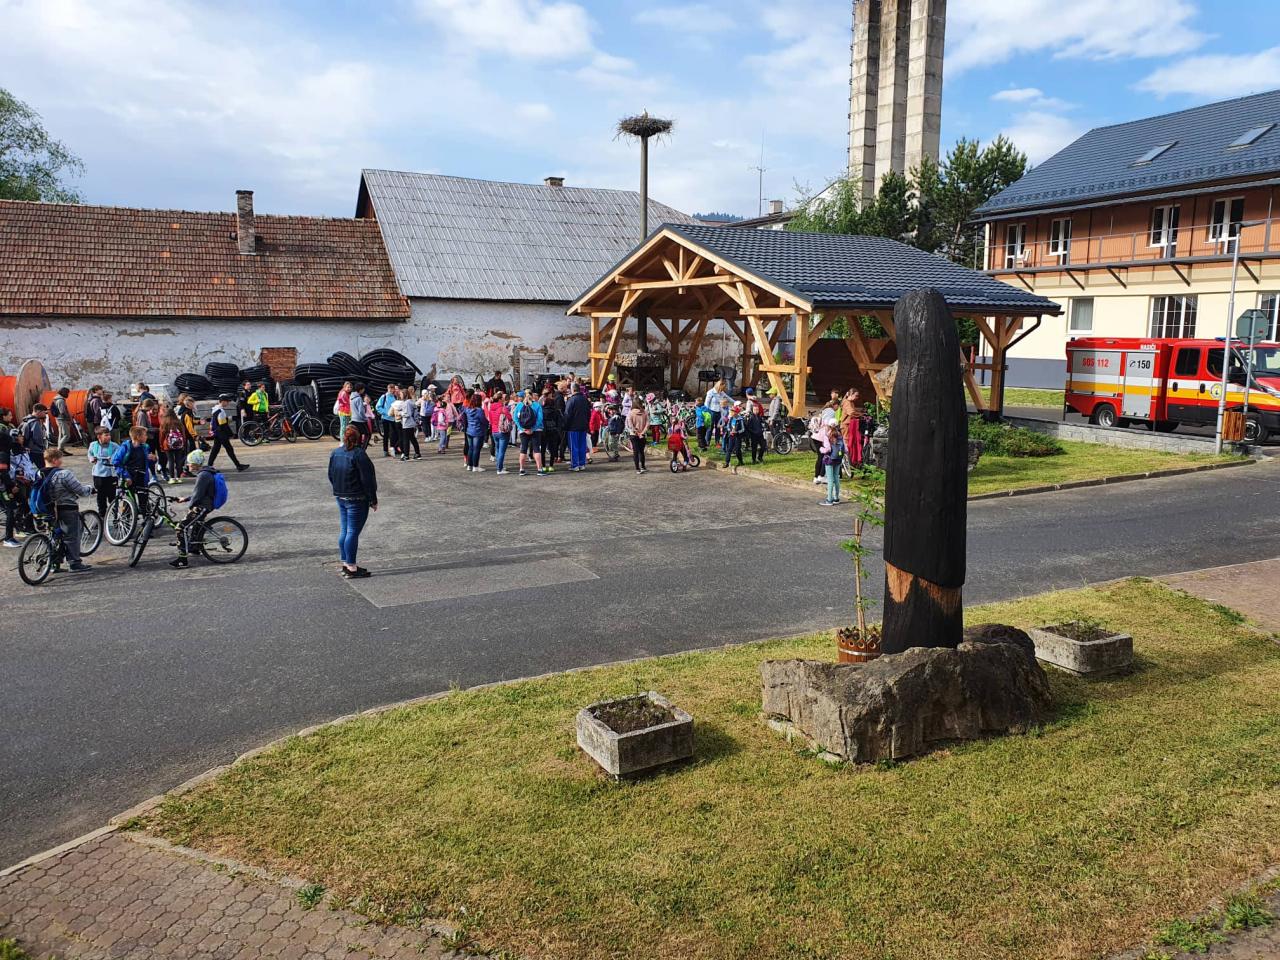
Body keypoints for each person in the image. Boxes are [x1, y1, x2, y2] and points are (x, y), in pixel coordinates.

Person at [328, 424, 377, 579]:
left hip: (341, 495)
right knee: (352, 532)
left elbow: (331, 475)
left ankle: (346, 562)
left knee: (345, 530)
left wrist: (338, 490)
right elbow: (367, 479)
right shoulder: (359, 454)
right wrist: (373, 499)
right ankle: (351, 566)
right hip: (356, 497)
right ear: (359, 438)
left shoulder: (336, 453)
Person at [41, 447, 94, 572]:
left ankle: (54, 564)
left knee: (54, 534)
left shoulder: (39, 473)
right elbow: (80, 490)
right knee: (71, 536)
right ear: (55, 460)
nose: (62, 461)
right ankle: (74, 563)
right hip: (66, 508)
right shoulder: (64, 474)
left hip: (46, 509)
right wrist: (90, 489)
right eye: (60, 459)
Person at [168, 448, 221, 569]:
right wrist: (185, 499)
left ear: (196, 463)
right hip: (206, 504)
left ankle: (182, 559)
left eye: (190, 463)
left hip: (203, 506)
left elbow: (197, 495)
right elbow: (199, 493)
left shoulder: (203, 476)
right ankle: (194, 547)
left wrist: (191, 506)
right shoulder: (206, 473)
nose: (188, 465)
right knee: (196, 524)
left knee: (181, 527)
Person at [87, 426, 120, 518]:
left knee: (112, 497)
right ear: (99, 436)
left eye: (109, 435)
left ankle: (116, 517)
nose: (109, 437)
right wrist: (92, 459)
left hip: (111, 475)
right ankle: (102, 517)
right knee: (101, 496)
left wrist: (112, 459)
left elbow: (119, 455)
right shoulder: (93, 445)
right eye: (106, 435)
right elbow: (90, 454)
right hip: (98, 475)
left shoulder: (114, 446)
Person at [208, 394, 248, 471]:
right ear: (222, 401)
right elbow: (223, 425)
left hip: (217, 433)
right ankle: (238, 466)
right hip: (221, 433)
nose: (228, 403)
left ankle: (209, 465)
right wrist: (230, 433)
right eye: (227, 401)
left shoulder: (215, 409)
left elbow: (214, 422)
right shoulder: (221, 411)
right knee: (229, 449)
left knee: (215, 450)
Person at [512, 390, 544, 477]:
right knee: (536, 449)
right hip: (536, 430)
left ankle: (522, 469)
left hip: (523, 431)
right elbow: (540, 418)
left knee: (523, 449)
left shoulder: (519, 405)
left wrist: (522, 428)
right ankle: (540, 469)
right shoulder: (537, 405)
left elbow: (515, 418)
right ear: (532, 395)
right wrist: (533, 428)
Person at [564, 383, 591, 472]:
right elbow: (589, 413)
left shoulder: (571, 400)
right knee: (582, 446)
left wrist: (565, 425)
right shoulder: (585, 399)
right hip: (583, 426)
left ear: (573, 390)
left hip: (573, 427)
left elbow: (567, 414)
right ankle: (582, 464)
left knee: (574, 446)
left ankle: (575, 465)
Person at [819, 421, 846, 506]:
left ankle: (829, 500)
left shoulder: (828, 435)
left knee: (830, 480)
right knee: (836, 478)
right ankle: (836, 498)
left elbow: (828, 449)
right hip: (838, 459)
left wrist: (821, 449)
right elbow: (846, 449)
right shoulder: (840, 435)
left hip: (829, 459)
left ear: (828, 426)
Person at [486, 391, 512, 475]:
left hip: (494, 431)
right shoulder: (503, 408)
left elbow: (490, 420)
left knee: (497, 449)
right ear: (500, 399)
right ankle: (499, 469)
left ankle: (499, 466)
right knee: (501, 451)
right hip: (502, 431)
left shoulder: (491, 408)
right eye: (502, 398)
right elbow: (510, 418)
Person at [158, 411, 187, 483]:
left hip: (168, 445)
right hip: (179, 445)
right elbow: (183, 434)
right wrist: (183, 443)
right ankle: (179, 478)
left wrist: (161, 446)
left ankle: (172, 478)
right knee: (178, 461)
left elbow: (161, 436)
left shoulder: (164, 424)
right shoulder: (179, 423)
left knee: (171, 461)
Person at [540, 387, 563, 473]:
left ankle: (543, 466)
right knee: (553, 449)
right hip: (553, 430)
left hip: (544, 431)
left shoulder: (542, 411)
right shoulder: (556, 411)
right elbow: (560, 422)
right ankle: (551, 466)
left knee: (543, 449)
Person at [463, 393, 487, 472]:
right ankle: (475, 466)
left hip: (469, 430)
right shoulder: (479, 411)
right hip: (478, 431)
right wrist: (487, 425)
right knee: (476, 449)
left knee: (471, 448)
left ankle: (469, 465)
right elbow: (483, 421)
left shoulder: (467, 409)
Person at [21, 403, 49, 471]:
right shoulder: (35, 422)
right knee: (45, 469)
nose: (45, 415)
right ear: (38, 412)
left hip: (28, 449)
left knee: (26, 468)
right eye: (44, 412)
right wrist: (43, 448)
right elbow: (38, 438)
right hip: (36, 450)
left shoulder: (26, 420)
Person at [841, 388, 864, 468]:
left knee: (850, 443)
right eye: (856, 395)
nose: (857, 397)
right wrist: (861, 414)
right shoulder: (847, 402)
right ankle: (845, 464)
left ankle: (850, 462)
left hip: (848, 425)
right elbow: (851, 413)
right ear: (851, 394)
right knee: (847, 444)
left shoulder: (850, 402)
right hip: (846, 426)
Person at [375, 384, 398, 458]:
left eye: (392, 388)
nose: (391, 390)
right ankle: (385, 451)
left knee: (393, 435)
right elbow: (378, 407)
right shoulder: (384, 396)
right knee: (386, 435)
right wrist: (386, 412)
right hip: (385, 418)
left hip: (393, 419)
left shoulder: (395, 397)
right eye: (390, 389)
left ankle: (392, 450)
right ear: (387, 389)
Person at [626, 397, 648, 474]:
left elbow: (630, 424)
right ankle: (643, 466)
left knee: (635, 452)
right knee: (641, 451)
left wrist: (636, 432)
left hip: (633, 435)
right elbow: (648, 423)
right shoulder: (645, 412)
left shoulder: (630, 413)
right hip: (642, 434)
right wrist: (642, 432)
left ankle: (637, 469)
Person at [399, 386, 422, 461]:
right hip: (411, 423)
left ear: (405, 394)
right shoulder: (410, 401)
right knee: (412, 439)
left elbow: (407, 414)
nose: (400, 396)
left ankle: (406, 455)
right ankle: (417, 453)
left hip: (407, 423)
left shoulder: (406, 403)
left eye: (401, 394)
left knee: (406, 440)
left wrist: (400, 413)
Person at [51, 387, 74, 455]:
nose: (68, 394)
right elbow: (62, 412)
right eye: (67, 393)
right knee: (67, 435)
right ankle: (59, 449)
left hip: (59, 419)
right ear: (63, 393)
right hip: (62, 420)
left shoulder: (57, 399)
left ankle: (61, 449)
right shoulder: (60, 400)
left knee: (61, 435)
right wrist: (68, 419)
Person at [723, 403, 745, 468]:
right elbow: (728, 426)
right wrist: (730, 430)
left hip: (737, 437)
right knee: (729, 449)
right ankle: (727, 462)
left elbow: (743, 429)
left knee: (737, 450)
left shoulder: (740, 419)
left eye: (733, 411)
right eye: (731, 411)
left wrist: (737, 432)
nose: (731, 413)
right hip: (731, 436)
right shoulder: (731, 418)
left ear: (736, 412)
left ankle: (740, 461)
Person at [349, 382, 371, 448]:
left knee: (359, 435)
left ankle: (358, 449)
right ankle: (363, 449)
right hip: (360, 420)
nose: (364, 390)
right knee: (368, 434)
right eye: (363, 389)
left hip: (353, 419)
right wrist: (365, 418)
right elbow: (361, 411)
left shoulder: (352, 397)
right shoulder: (359, 398)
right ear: (360, 389)